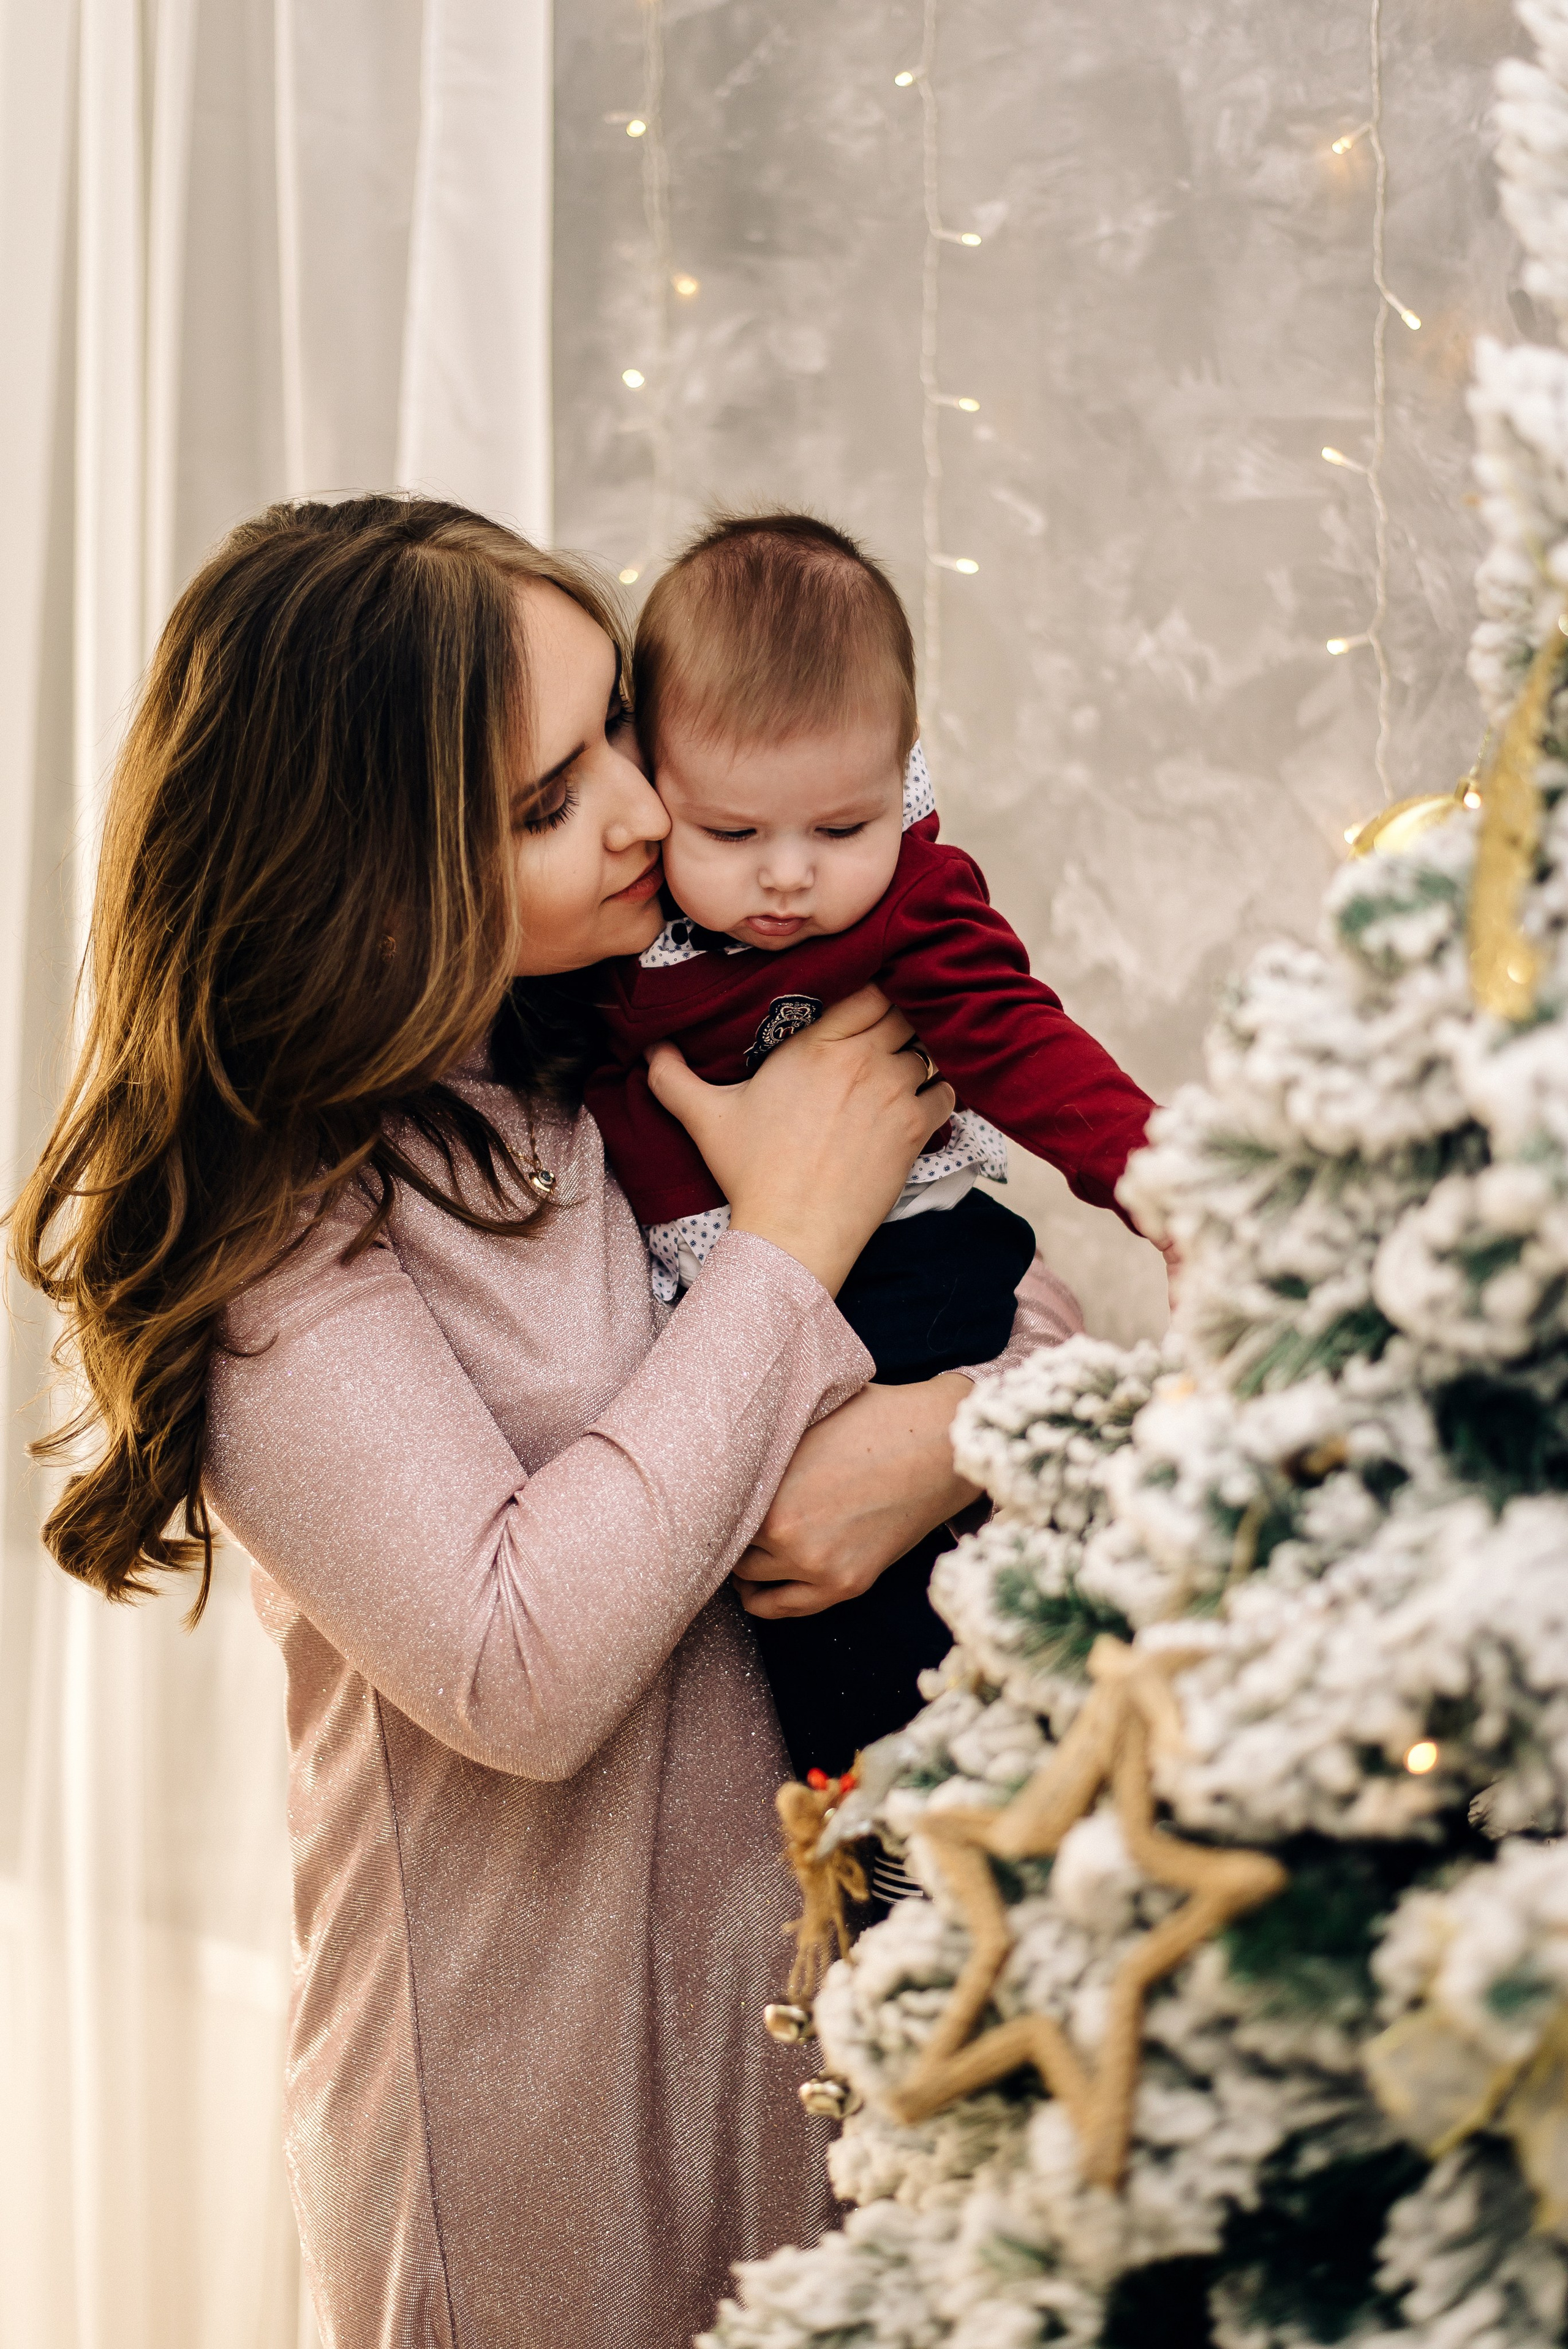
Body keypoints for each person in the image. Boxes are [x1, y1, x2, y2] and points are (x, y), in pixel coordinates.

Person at [11, 495, 1080, 2349]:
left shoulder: (634, 1042)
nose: (646, 812)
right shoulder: (288, 1222)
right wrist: (793, 1230)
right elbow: (521, 1657)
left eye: (617, 736)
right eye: (545, 795)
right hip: (540, 2146)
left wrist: (942, 1435)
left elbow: (1012, 1291)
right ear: (367, 863)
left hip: (846, 2066)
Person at [585, 513, 1159, 1779]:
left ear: (895, 775)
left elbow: (1018, 1038)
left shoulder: (910, 899)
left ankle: (974, 1788)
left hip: (910, 1272)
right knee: (793, 1611)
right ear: (651, 779)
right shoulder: (614, 928)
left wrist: (1158, 1175)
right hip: (718, 1310)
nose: (785, 877)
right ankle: (879, 1809)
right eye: (730, 834)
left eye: (837, 829)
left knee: (928, 1605)